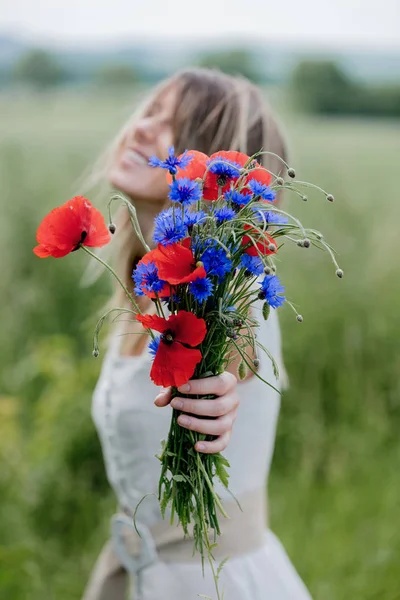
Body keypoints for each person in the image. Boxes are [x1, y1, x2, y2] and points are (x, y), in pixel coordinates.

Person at [82, 68, 312, 600]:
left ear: (214, 166)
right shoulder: (143, 285)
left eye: (172, 125)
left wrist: (217, 395)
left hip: (216, 584)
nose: (141, 127)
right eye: (149, 111)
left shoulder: (237, 288)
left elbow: (228, 361)